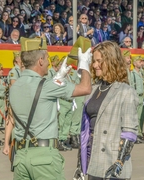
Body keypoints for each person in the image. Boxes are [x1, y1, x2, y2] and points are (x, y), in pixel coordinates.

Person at [7, 36, 92, 179]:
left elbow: (38, 93)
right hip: (44, 159)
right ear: (40, 61)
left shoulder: (15, 86)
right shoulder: (47, 86)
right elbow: (85, 88)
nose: (48, 62)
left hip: (20, 158)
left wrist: (58, 78)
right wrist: (84, 64)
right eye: (47, 58)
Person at [79, 41, 138, 179]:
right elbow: (84, 133)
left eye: (99, 61)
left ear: (111, 61)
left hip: (112, 163)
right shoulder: (92, 90)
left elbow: (129, 132)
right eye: (94, 61)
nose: (94, 65)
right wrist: (80, 164)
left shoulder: (125, 91)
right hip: (92, 162)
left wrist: (119, 163)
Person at [129, 56, 144, 144]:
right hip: (135, 96)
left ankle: (139, 133)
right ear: (134, 63)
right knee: (135, 117)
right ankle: (135, 134)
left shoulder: (141, 73)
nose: (141, 63)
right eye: (139, 62)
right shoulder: (133, 74)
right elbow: (131, 86)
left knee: (140, 117)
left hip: (141, 96)